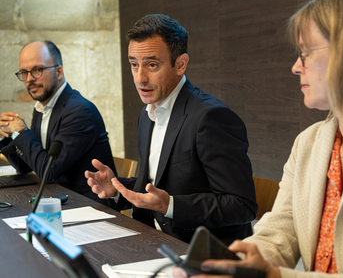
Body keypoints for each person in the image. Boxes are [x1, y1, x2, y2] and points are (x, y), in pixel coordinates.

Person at [173, 0, 343, 278]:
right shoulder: (309, 143)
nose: (295, 67)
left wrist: (273, 276)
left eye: (305, 53)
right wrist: (233, 266)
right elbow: (279, 233)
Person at [85, 14, 258, 245]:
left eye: (152, 65)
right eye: (134, 65)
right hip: (151, 241)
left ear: (181, 64)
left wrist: (171, 206)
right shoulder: (146, 115)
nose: (140, 78)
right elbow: (157, 187)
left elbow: (241, 206)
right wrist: (116, 188)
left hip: (199, 252)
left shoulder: (211, 117)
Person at [0, 41, 116, 205]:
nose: (29, 79)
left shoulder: (79, 111)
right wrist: (4, 136)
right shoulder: (42, 107)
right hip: (58, 198)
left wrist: (22, 130)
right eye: (24, 73)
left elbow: (48, 172)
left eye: (37, 70)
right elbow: (28, 166)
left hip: (88, 206)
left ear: (59, 71)